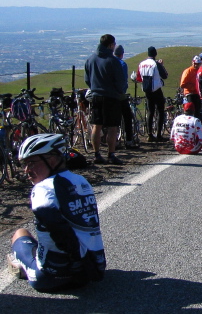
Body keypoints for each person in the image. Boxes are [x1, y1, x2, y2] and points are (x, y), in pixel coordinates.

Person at [7, 134, 106, 291]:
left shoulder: (42, 188)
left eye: (31, 163)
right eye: (24, 164)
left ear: (52, 160)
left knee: (20, 233)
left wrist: (75, 262)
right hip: (93, 269)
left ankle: (22, 266)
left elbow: (56, 226)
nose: (26, 170)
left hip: (50, 277)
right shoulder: (82, 181)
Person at [84, 34, 125, 165]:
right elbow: (120, 82)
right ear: (110, 45)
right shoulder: (113, 61)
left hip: (96, 95)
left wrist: (94, 87)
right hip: (111, 96)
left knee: (97, 125)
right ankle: (111, 154)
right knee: (112, 127)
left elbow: (87, 79)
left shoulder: (90, 59)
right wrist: (120, 91)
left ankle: (96, 154)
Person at [137, 46, 169, 142]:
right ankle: (159, 134)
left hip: (147, 90)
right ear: (155, 54)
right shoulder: (156, 64)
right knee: (160, 111)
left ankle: (150, 134)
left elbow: (138, 78)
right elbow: (165, 76)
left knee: (150, 112)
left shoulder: (141, 64)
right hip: (156, 89)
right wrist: (161, 65)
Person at [113, 45, 136, 149]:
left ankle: (114, 141)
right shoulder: (122, 64)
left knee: (113, 119)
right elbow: (123, 80)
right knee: (127, 117)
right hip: (120, 95)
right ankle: (129, 140)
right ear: (122, 54)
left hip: (109, 94)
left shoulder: (109, 62)